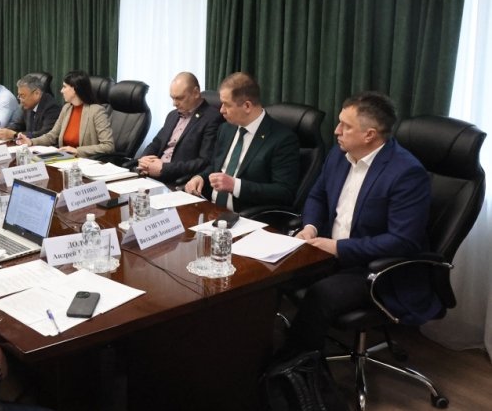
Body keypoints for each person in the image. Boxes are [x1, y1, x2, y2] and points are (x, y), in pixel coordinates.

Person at [282, 92, 435, 355]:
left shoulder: (406, 173)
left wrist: (338, 247)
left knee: (321, 294)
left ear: (369, 135)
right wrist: (310, 227)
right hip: (328, 251)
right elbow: (317, 196)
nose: (336, 131)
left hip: (374, 268)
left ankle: (297, 369)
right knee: (272, 275)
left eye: (346, 126)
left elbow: (402, 241)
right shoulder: (338, 154)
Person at [184, 72, 298, 211]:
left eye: (226, 105)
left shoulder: (282, 139)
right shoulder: (225, 129)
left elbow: (284, 192)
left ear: (247, 106)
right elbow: (215, 166)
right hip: (210, 209)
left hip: (244, 215)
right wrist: (200, 177)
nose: (221, 110)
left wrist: (235, 186)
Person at [136, 72, 222, 183]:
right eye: (172, 98)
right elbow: (157, 143)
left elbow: (204, 161)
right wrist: (144, 159)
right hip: (151, 175)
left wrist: (164, 169)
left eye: (179, 98)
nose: (174, 103)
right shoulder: (172, 115)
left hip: (175, 180)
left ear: (196, 93)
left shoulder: (212, 118)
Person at [18, 70, 114, 158]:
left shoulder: (96, 111)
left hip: (85, 161)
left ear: (75, 89)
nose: (61, 91)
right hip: (64, 159)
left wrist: (77, 151)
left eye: (64, 87)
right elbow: (52, 136)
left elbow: (108, 146)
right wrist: (31, 142)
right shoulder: (67, 108)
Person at [0, 73, 61, 141]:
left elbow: (44, 134)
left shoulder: (52, 107)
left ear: (37, 93)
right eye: (19, 96)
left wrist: (15, 135)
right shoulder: (28, 105)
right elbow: (18, 125)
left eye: (22, 96)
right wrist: (6, 131)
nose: (20, 99)